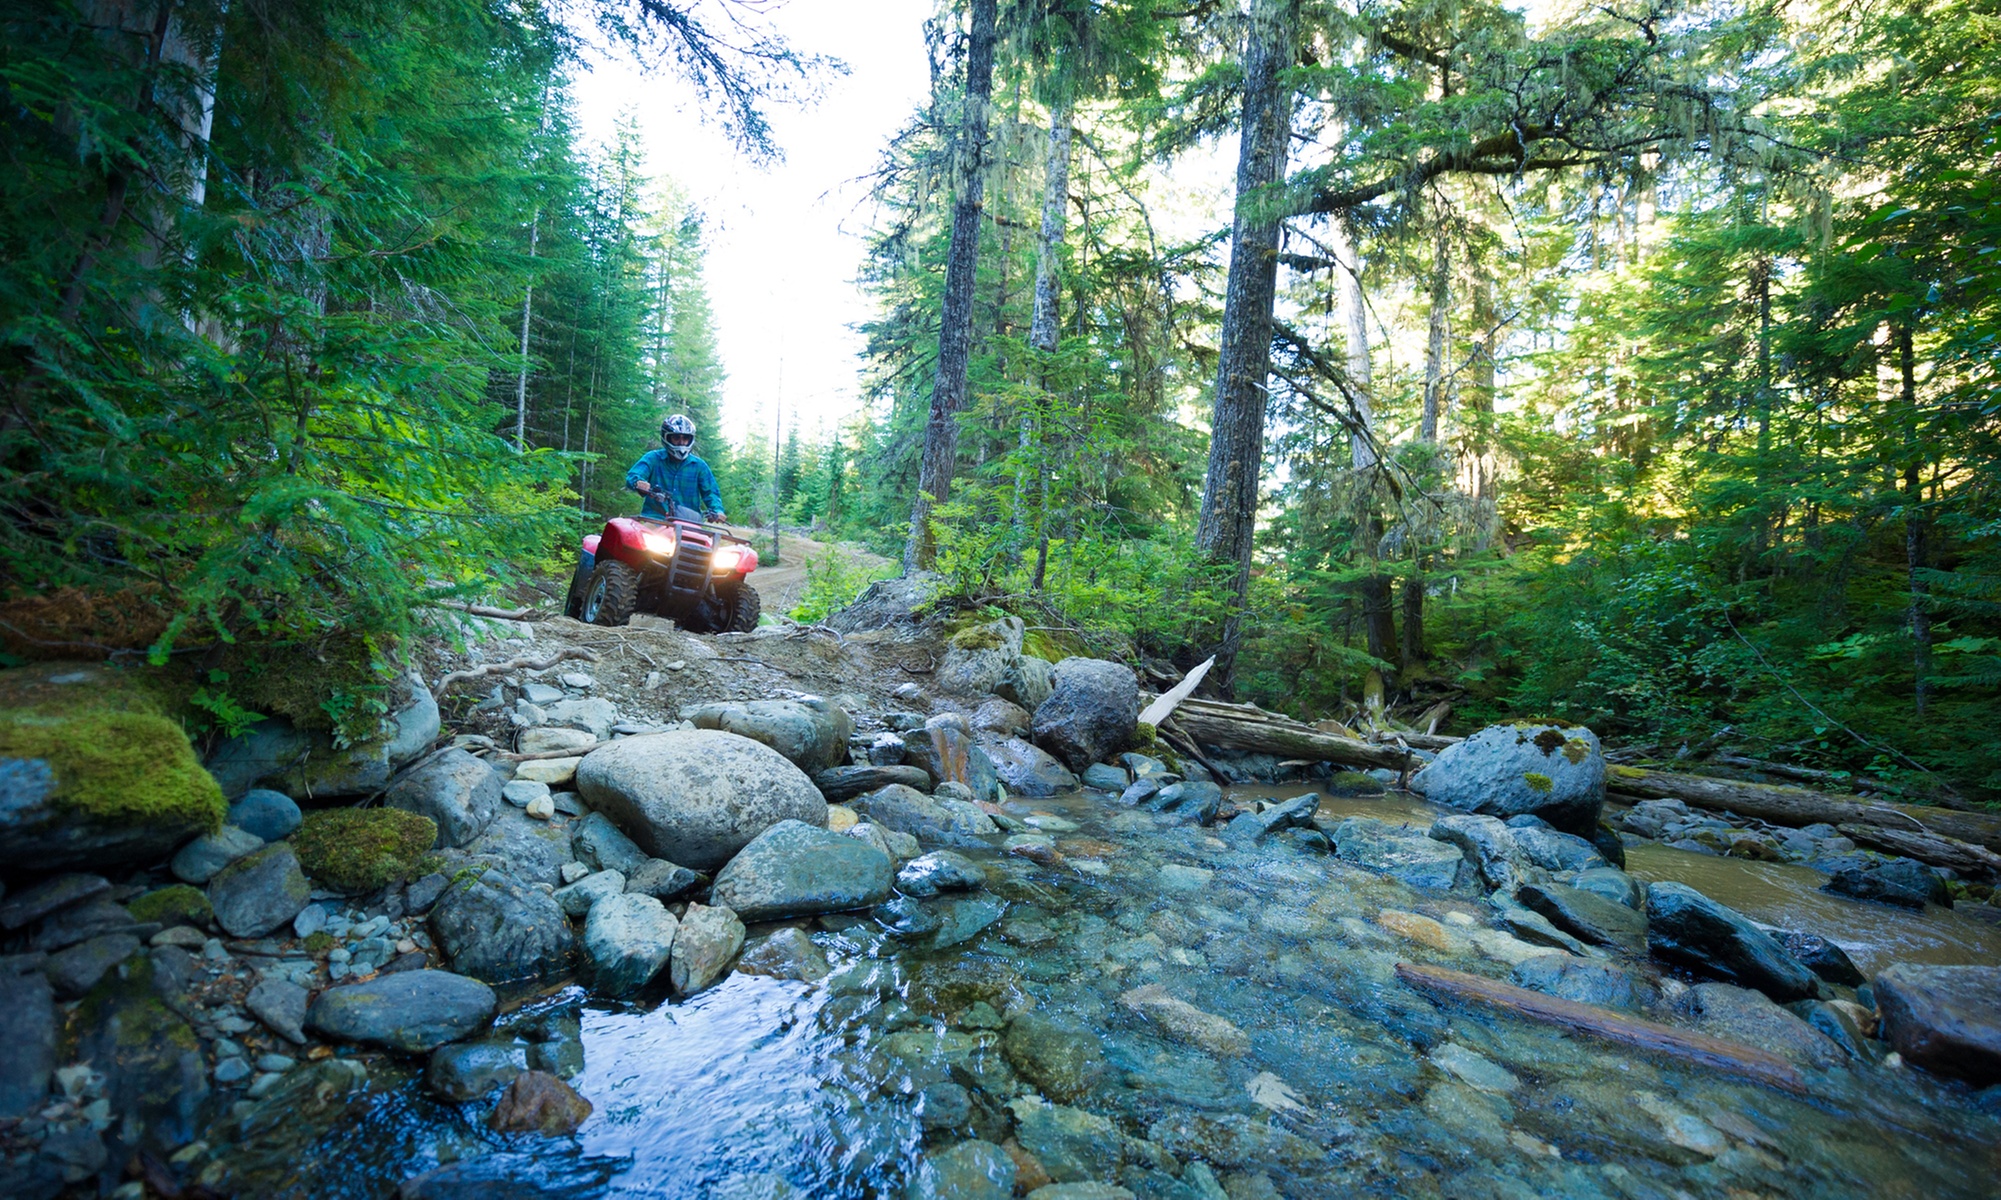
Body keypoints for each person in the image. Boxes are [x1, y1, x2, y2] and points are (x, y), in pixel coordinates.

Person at [625, 414, 726, 523]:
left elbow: (710, 492)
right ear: (666, 437)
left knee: (706, 540)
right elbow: (633, 475)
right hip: (656, 520)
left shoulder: (699, 466)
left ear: (691, 439)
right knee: (640, 539)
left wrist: (717, 510)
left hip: (689, 523)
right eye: (676, 437)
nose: (681, 442)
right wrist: (638, 482)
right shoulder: (653, 458)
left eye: (685, 438)